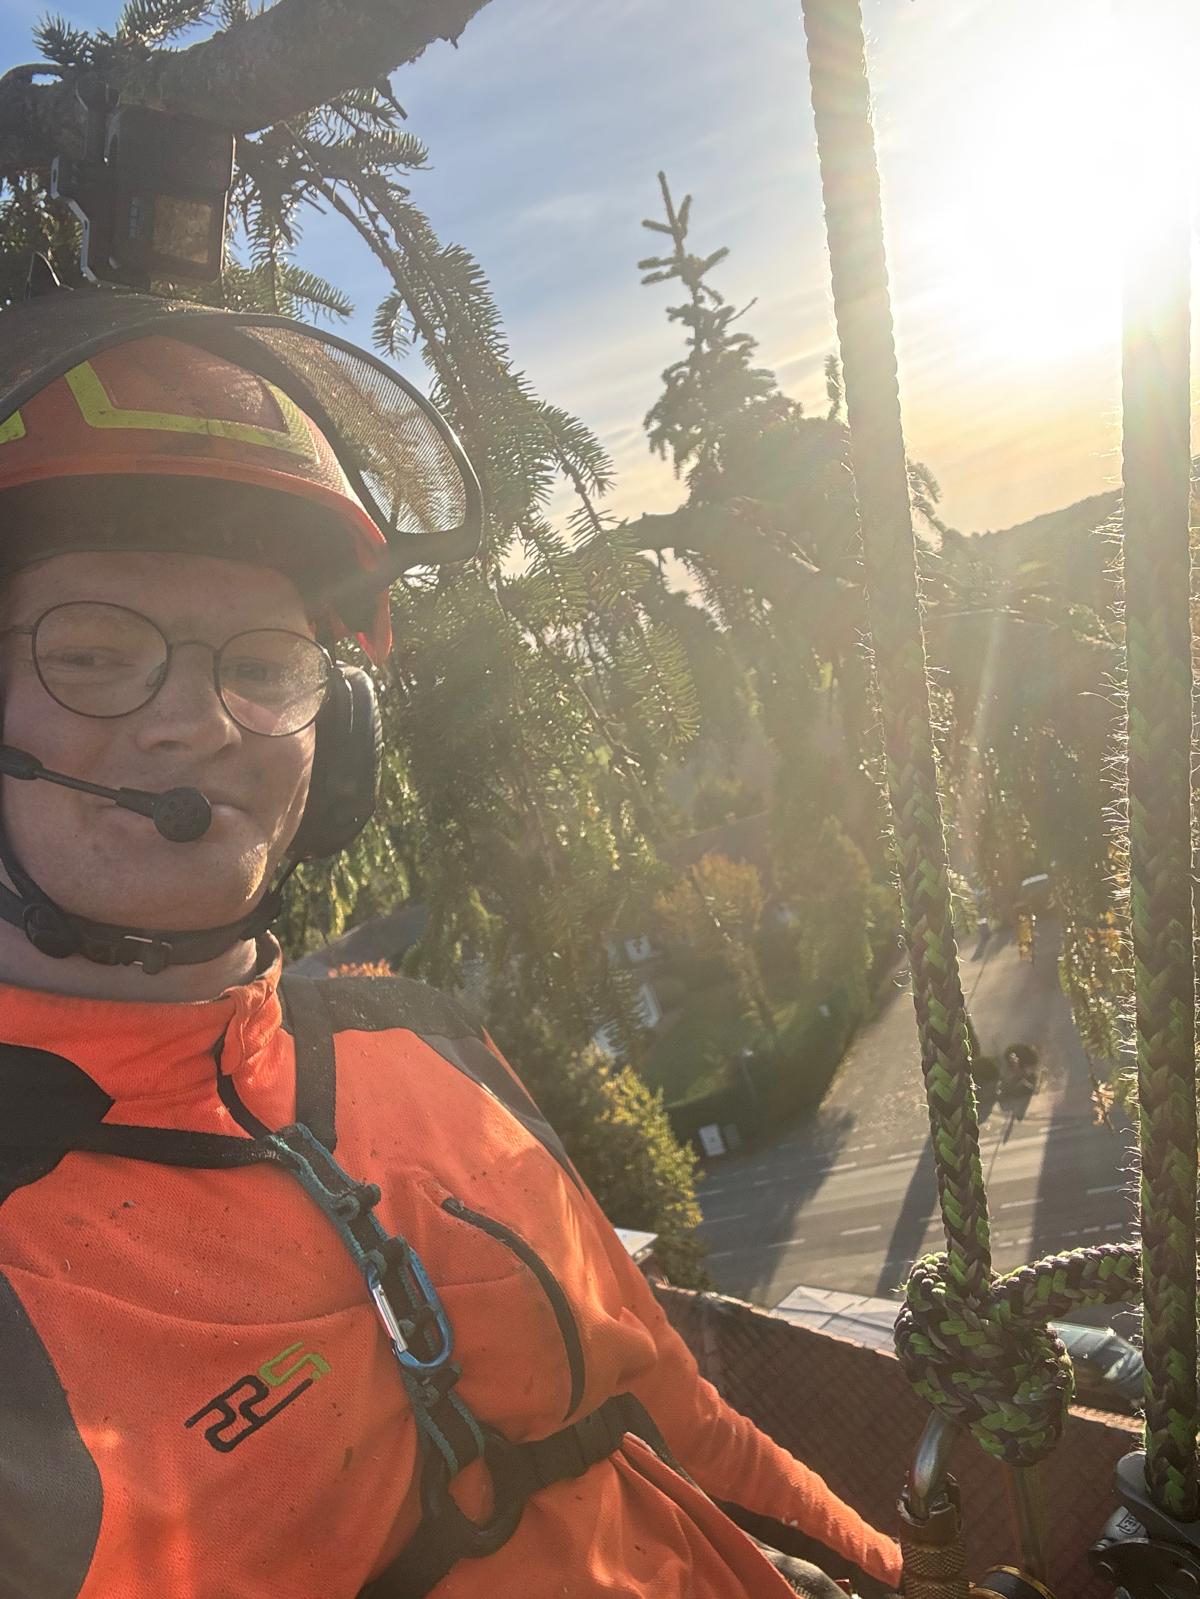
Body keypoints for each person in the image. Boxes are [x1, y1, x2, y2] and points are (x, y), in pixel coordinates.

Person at [0, 308, 902, 1598]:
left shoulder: (425, 1041)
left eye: (266, 664)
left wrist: (902, 1577)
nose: (199, 725)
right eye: (93, 655)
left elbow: (680, 1416)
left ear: (341, 742)